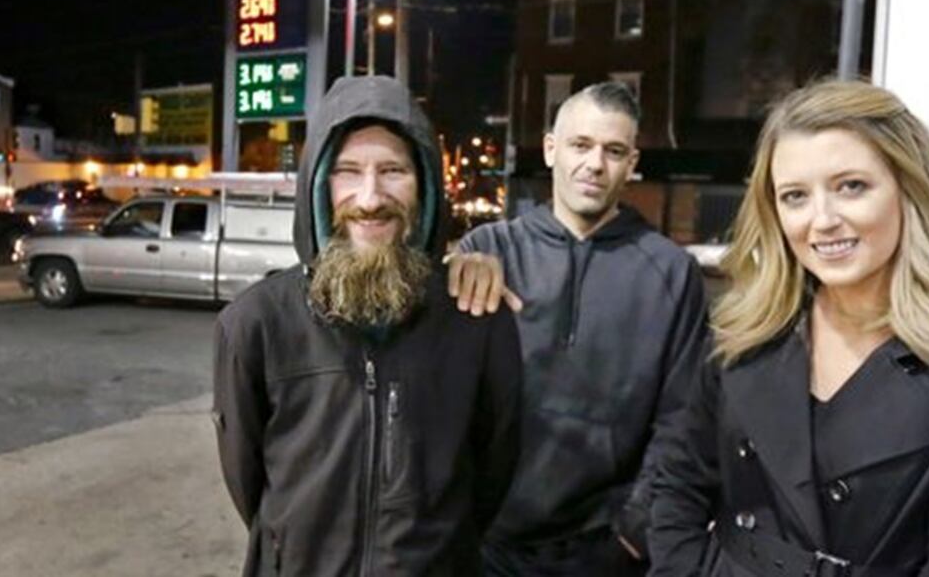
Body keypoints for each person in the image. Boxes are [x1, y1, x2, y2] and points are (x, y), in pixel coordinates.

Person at [648, 79, 929, 576]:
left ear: (907, 190)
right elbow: (676, 485)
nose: (822, 219)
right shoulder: (743, 335)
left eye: (851, 186)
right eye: (795, 196)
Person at [213, 76, 523, 577]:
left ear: (424, 183)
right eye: (347, 171)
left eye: (394, 170)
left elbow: (491, 476)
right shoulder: (254, 324)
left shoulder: (477, 321)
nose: (370, 196)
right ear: (318, 183)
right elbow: (249, 485)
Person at [454, 82, 709, 574]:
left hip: (602, 550)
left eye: (613, 151)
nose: (595, 164)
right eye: (580, 145)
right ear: (551, 150)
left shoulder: (671, 272)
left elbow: (685, 417)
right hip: (487, 544)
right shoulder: (488, 252)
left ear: (632, 163)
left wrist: (634, 533)